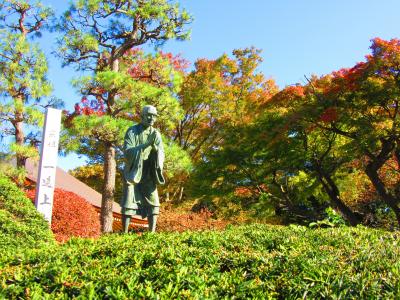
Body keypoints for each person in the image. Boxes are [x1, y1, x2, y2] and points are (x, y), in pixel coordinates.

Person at [120, 105, 165, 232]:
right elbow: (127, 152)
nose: (151, 118)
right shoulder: (132, 131)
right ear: (142, 116)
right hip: (134, 171)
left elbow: (161, 152)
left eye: (154, 116)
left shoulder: (156, 134)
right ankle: (124, 233)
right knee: (128, 200)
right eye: (149, 115)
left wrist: (155, 149)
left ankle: (152, 233)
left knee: (154, 201)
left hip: (149, 171)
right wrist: (146, 144)